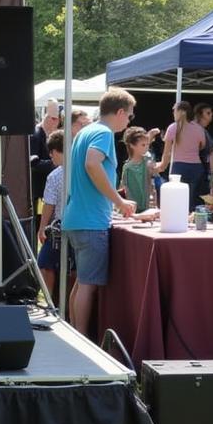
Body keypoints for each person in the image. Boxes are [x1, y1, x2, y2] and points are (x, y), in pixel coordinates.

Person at [62, 87, 137, 337]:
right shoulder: (103, 133)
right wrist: (119, 201)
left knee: (82, 282)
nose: (129, 121)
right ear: (119, 112)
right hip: (90, 222)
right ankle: (82, 337)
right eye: (129, 116)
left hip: (77, 218)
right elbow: (92, 164)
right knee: (88, 285)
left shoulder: (85, 131)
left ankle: (75, 333)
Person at [35, 128, 70, 302]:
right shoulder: (83, 170)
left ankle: (49, 303)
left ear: (55, 151)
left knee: (44, 264)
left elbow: (48, 204)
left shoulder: (55, 176)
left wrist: (41, 229)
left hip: (60, 228)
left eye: (51, 153)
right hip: (82, 225)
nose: (51, 157)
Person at [157, 100, 207, 200]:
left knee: (177, 199)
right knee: (192, 199)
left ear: (180, 111)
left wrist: (162, 166)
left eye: (174, 111)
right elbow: (202, 146)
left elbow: (166, 153)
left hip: (178, 167)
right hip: (196, 167)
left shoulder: (172, 127)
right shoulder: (199, 128)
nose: (173, 114)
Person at [120, 126, 158, 213]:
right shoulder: (127, 167)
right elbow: (122, 186)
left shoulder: (147, 160)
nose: (146, 147)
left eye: (147, 145)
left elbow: (156, 169)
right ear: (132, 145)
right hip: (132, 208)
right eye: (143, 145)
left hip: (147, 206)